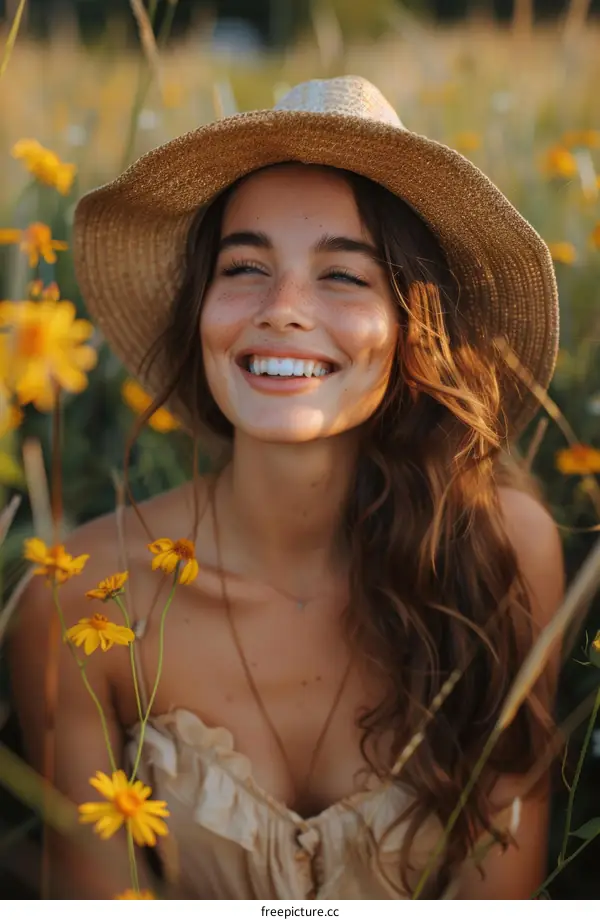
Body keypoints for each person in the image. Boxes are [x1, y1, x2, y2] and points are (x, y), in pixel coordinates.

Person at [10, 75, 564, 900]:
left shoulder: (500, 552)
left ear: (413, 326)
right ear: (201, 308)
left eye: (343, 276)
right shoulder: (77, 599)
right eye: (244, 267)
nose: (283, 309)